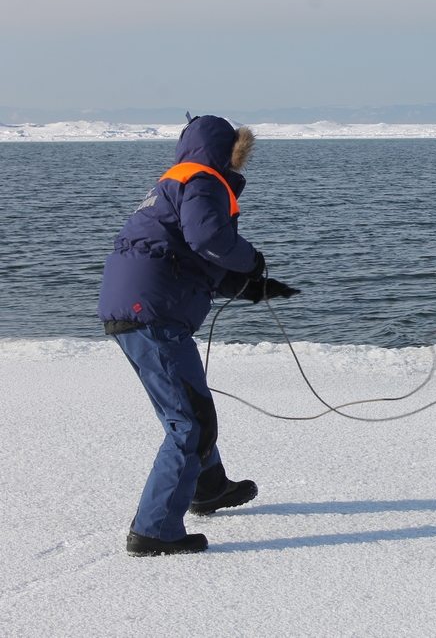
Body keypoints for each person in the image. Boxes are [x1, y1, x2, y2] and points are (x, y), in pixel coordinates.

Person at [98, 114, 300, 556]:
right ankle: (154, 530)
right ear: (228, 152)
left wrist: (254, 287)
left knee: (190, 406)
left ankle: (208, 487)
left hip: (137, 307)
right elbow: (208, 237)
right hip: (152, 312)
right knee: (189, 422)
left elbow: (195, 256)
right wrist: (251, 258)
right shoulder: (204, 180)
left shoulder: (178, 181)